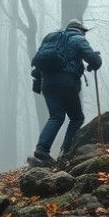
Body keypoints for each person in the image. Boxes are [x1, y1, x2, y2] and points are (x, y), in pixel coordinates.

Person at [32, 19, 102, 164]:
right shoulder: (77, 39)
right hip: (66, 82)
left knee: (56, 116)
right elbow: (93, 60)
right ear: (80, 30)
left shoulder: (52, 39)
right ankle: (66, 152)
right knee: (76, 118)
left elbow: (39, 62)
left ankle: (42, 149)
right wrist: (96, 61)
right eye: (84, 32)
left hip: (47, 83)